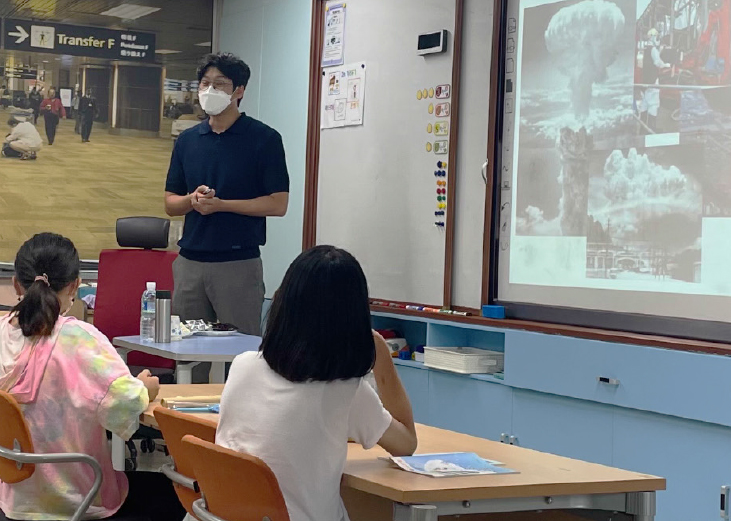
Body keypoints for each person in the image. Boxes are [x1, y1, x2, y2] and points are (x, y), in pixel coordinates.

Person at [216, 246, 418, 521]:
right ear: (354, 318)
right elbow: (406, 444)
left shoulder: (243, 365)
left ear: (282, 302)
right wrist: (381, 356)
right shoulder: (345, 391)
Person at [0, 233, 183, 520]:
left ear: (15, 284)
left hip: (14, 501)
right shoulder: (80, 339)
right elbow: (125, 406)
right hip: (81, 501)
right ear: (75, 285)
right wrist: (144, 389)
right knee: (177, 495)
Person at [164, 53, 289, 336]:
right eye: (205, 83)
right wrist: (191, 200)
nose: (210, 90)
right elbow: (170, 203)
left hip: (238, 264)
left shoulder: (264, 139)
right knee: (186, 352)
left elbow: (278, 203)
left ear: (239, 90)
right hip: (190, 263)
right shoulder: (187, 140)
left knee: (238, 352)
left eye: (220, 84)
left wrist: (221, 205)